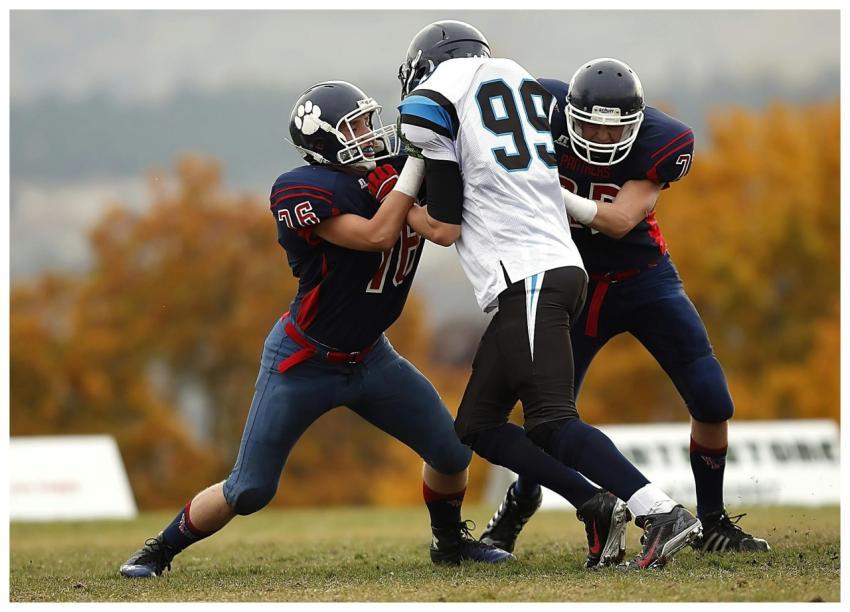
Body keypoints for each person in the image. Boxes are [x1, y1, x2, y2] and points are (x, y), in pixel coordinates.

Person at [119, 80, 513, 578]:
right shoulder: (305, 189)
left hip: (372, 357)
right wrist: (416, 166)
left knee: (451, 450)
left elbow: (445, 216)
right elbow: (376, 234)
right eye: (357, 127)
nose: (371, 135)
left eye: (370, 122)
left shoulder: (390, 170)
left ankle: (449, 542)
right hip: (303, 360)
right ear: (323, 142)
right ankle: (158, 550)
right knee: (250, 489)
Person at [393, 20, 702, 570]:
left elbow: (444, 226)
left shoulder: (434, 97)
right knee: (477, 427)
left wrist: (398, 204)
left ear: (427, 66)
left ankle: (661, 511)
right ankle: (594, 505)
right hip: (549, 269)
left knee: (552, 420)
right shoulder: (518, 79)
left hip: (529, 274)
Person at [481, 58, 770, 555]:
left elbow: (617, 221)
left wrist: (543, 188)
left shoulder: (664, 140)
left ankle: (713, 519)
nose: (599, 136)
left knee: (712, 398)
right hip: (567, 285)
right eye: (589, 122)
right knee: (545, 421)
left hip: (643, 280)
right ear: (567, 113)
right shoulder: (535, 109)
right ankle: (519, 502)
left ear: (638, 123)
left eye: (614, 127)